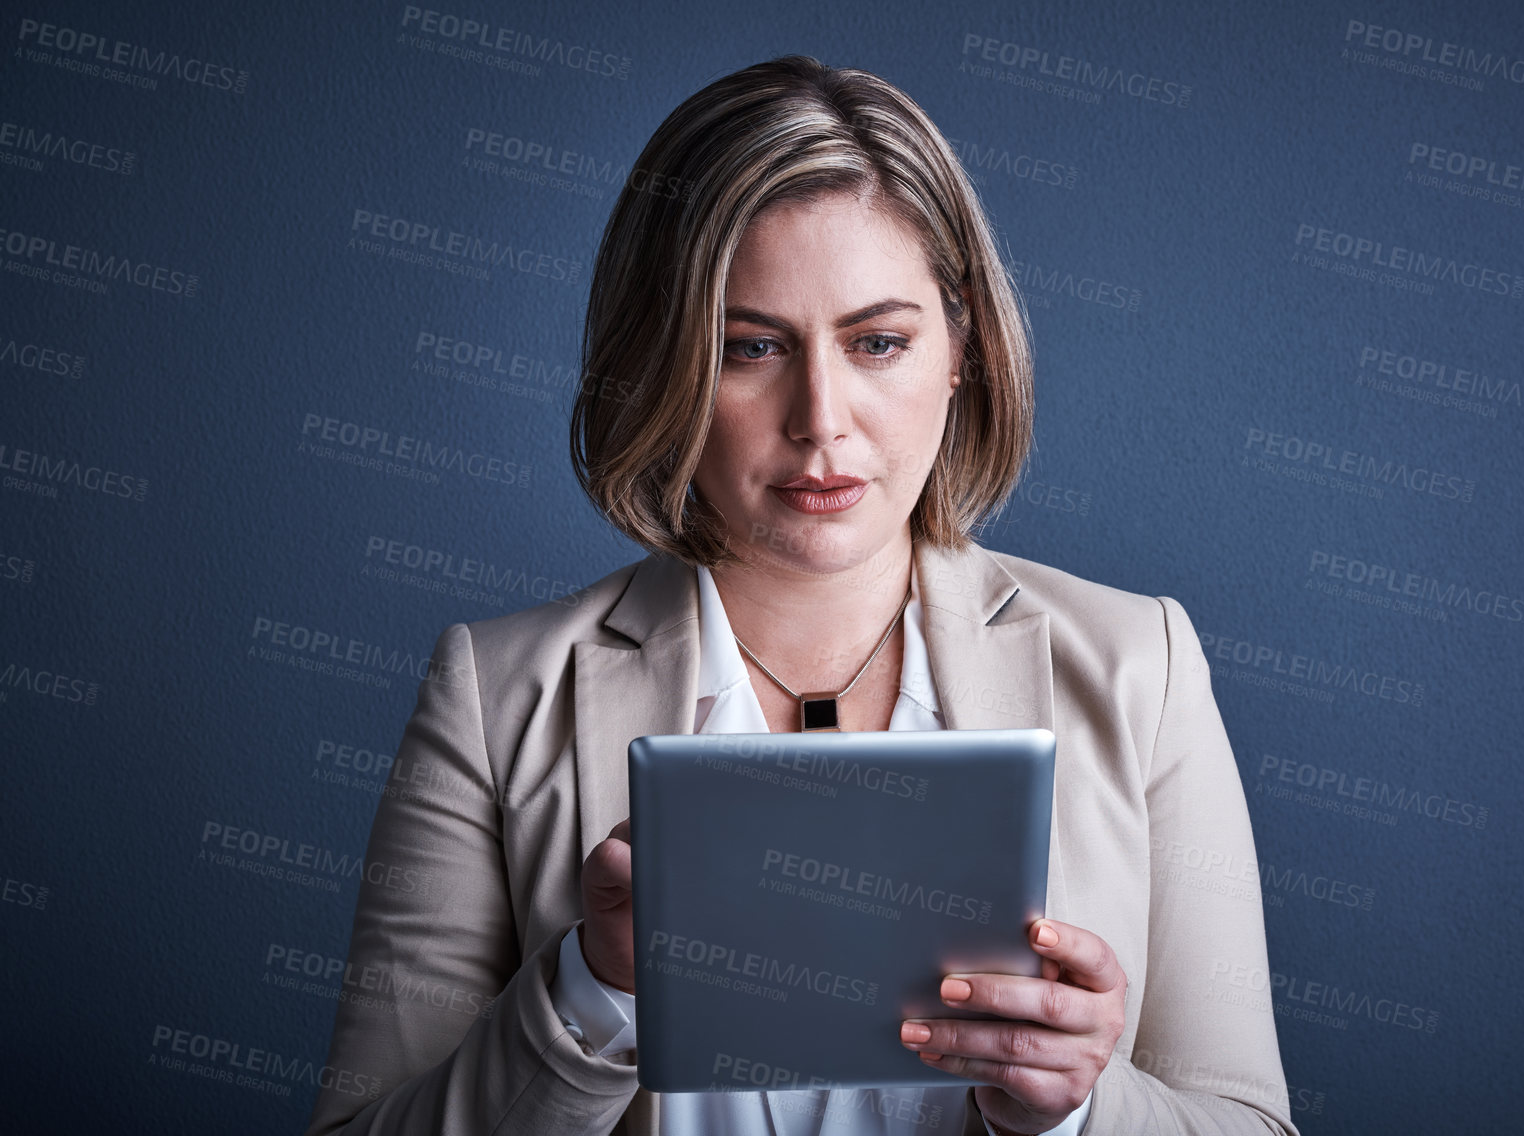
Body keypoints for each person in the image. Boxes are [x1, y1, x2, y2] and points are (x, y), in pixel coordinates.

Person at [307, 54, 1297, 1136]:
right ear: (662, 361)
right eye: (750, 347)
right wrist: (593, 990)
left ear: (960, 346)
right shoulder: (497, 696)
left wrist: (1071, 1108)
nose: (820, 417)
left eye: (878, 341)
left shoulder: (1138, 666)